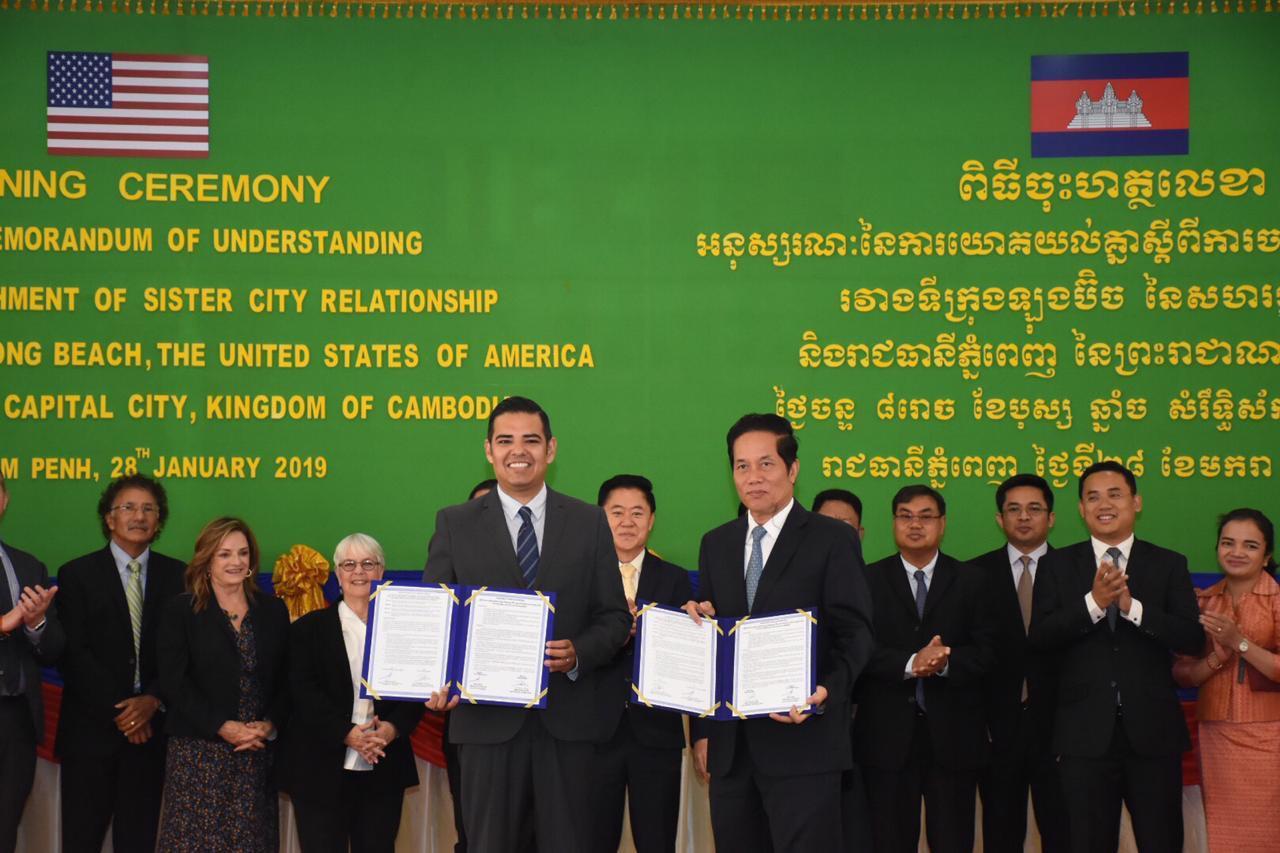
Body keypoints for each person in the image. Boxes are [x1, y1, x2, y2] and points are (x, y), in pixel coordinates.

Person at [422, 396, 631, 852]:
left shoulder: (589, 522)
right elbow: (435, 617)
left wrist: (579, 652)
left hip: (568, 726)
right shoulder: (455, 523)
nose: (518, 451)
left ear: (550, 449)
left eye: (531, 440)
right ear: (489, 450)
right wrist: (435, 679)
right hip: (486, 726)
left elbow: (615, 617)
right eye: (505, 441)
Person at [686, 413, 873, 850]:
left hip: (804, 746)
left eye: (766, 464)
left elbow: (857, 634)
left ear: (793, 470)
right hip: (732, 754)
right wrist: (697, 621)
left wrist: (826, 691)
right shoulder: (716, 543)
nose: (753, 477)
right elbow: (716, 637)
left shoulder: (831, 539)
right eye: (742, 466)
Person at [1029, 461, 1203, 853]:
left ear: (1136, 502)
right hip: (1084, 737)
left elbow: (1192, 638)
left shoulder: (1168, 563)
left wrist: (1131, 608)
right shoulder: (1056, 565)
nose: (1103, 505)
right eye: (1092, 497)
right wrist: (1094, 603)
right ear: (1080, 509)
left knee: (1162, 841)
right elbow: (1041, 638)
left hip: (1153, 734)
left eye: (1114, 494)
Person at [854, 485, 997, 853]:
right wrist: (909, 663)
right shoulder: (867, 581)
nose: (914, 524)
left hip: (954, 740)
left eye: (925, 516)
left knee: (953, 841)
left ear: (942, 523)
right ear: (893, 523)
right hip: (885, 741)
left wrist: (947, 662)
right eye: (905, 516)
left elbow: (988, 652)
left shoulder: (973, 581)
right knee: (888, 842)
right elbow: (858, 650)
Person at [54, 474, 186, 853]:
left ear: (158, 521)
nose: (139, 516)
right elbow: (73, 655)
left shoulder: (179, 577)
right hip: (90, 735)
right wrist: (127, 715)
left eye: (148, 509)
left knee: (139, 841)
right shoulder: (76, 574)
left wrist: (152, 701)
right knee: (81, 840)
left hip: (152, 737)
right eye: (128, 507)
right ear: (109, 518)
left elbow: (182, 653)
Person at [282, 533, 426, 853]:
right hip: (320, 768)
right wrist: (347, 733)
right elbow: (303, 693)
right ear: (337, 574)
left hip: (384, 766)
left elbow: (416, 691)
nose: (358, 571)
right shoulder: (308, 629)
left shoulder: (404, 629)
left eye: (368, 563)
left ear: (381, 571)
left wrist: (391, 729)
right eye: (349, 564)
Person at [157, 517, 291, 852]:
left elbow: (287, 679)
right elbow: (173, 682)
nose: (236, 562)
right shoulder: (181, 610)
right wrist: (222, 726)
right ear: (206, 560)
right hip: (198, 754)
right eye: (225, 554)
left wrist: (269, 725)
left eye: (243, 553)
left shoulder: (273, 610)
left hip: (254, 752)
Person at [590, 474, 692, 853]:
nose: (627, 522)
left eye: (637, 513)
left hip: (656, 735)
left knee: (657, 840)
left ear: (651, 520)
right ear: (601, 518)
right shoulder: (582, 576)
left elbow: (686, 659)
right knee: (592, 839)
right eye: (616, 512)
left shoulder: (675, 580)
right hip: (594, 733)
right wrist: (613, 632)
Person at [968, 474, 1068, 853]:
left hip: (1059, 730)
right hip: (996, 731)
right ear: (1000, 519)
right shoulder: (973, 575)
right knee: (1000, 835)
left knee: (1063, 834)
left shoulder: (1075, 572)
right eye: (1014, 509)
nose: (1024, 517)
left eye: (1034, 509)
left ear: (1051, 518)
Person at [1173, 508, 1280, 853]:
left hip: (1270, 733)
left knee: (1267, 833)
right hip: (1216, 733)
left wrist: (1239, 643)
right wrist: (1217, 659)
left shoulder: (1277, 600)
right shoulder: (1202, 601)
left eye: (1250, 546)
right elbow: (1181, 673)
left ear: (1267, 556)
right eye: (1228, 543)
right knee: (1222, 836)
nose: (1237, 552)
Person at [0, 473, 63, 853]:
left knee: (5, 827)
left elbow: (52, 650)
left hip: (16, 718)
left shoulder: (27, 567)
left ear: (4, 500)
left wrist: (36, 623)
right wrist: (3, 624)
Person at [443, 477, 499, 853]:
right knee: (473, 831)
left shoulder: (539, 576)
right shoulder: (452, 571)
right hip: (468, 721)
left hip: (535, 728)